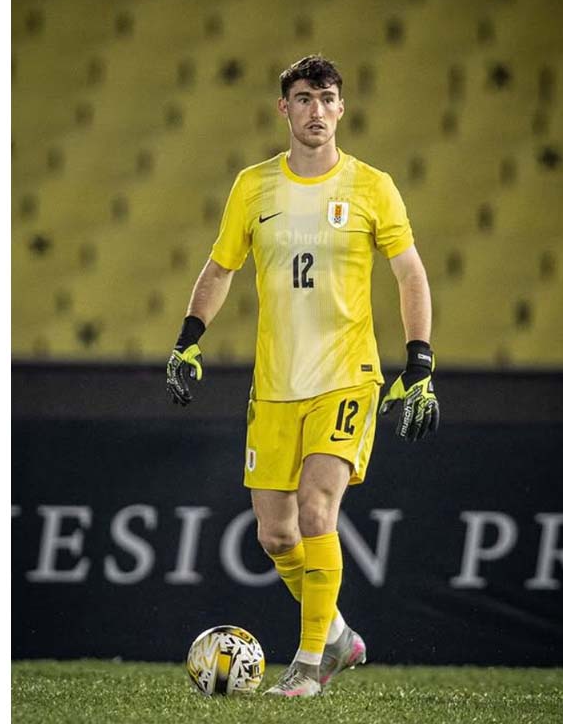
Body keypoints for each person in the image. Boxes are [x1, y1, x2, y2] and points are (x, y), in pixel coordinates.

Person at [165, 55, 439, 697]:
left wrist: (419, 358)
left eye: (328, 97)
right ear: (283, 109)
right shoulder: (252, 186)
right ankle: (339, 633)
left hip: (348, 375)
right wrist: (188, 340)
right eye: (305, 98)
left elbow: (409, 274)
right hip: (276, 384)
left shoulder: (373, 186)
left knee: (318, 509)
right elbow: (221, 267)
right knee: (275, 532)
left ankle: (310, 665)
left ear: (342, 109)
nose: (318, 109)